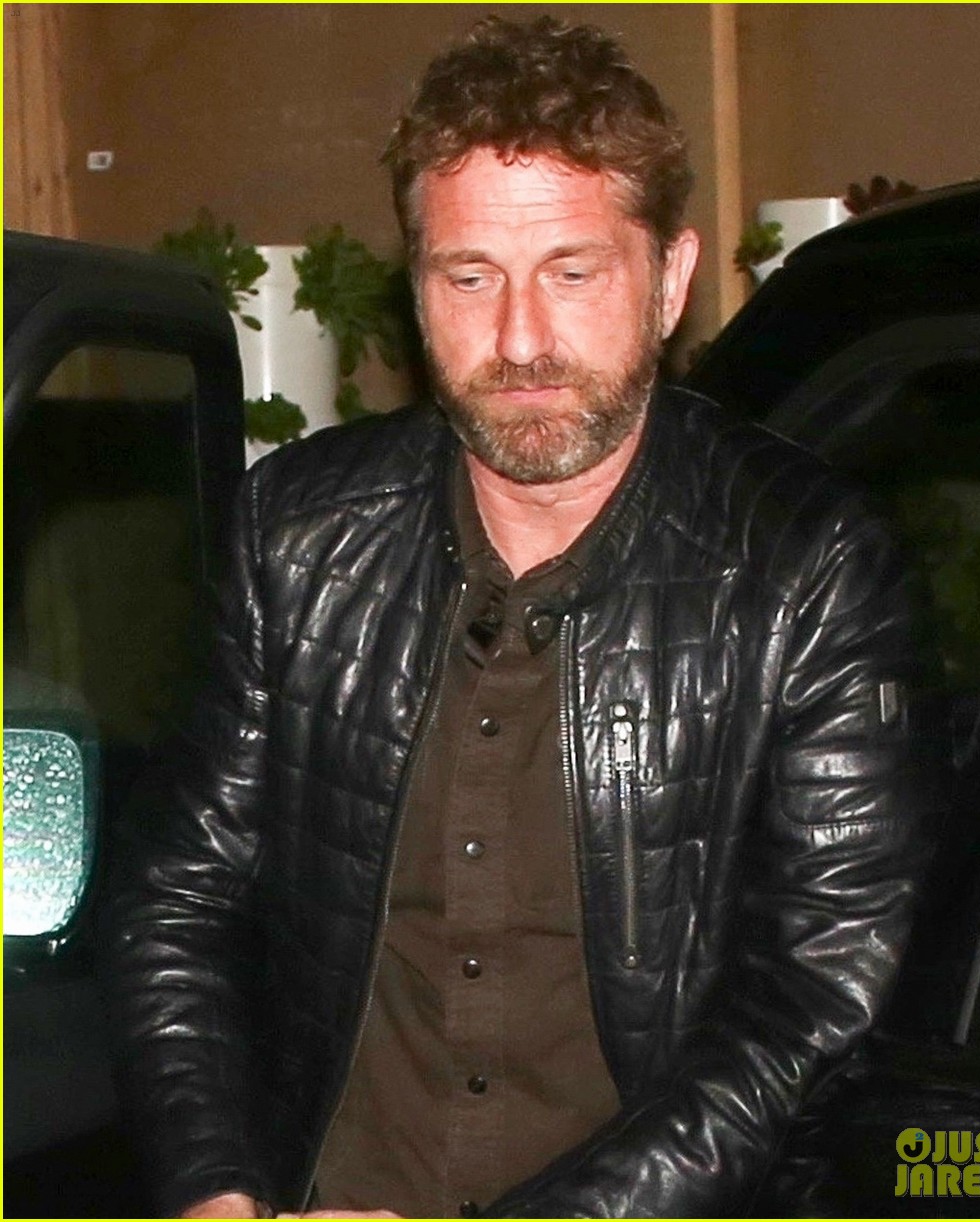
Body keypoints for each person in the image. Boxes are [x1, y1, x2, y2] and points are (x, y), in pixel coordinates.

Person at [106, 16, 928, 1220]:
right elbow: (178, 898)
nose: (522, 339)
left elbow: (814, 1000)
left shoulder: (807, 564)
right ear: (416, 286)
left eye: (573, 273)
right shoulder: (297, 534)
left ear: (671, 281)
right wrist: (215, 1190)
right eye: (471, 276)